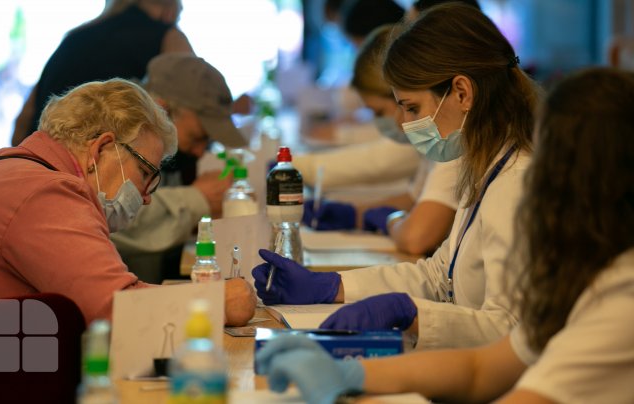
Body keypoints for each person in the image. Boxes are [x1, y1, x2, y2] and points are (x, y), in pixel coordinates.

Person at [255, 67, 634, 404]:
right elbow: (479, 369)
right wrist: (351, 376)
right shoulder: (589, 274)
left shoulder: (621, 303)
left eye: (547, 166)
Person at [253, 3, 540, 349]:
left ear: (462, 93)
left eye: (412, 107)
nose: (404, 124)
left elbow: (511, 330)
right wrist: (333, 286)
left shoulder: (515, 181)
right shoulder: (483, 163)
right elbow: (438, 275)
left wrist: (413, 316)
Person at [0, 78, 256, 327]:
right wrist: (218, 301)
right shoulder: (45, 193)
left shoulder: (8, 167)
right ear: (101, 149)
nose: (148, 196)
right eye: (145, 171)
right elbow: (116, 309)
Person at [298, 24, 459, 255]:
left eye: (411, 107)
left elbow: (417, 236)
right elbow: (417, 197)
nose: (402, 122)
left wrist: (389, 221)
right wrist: (356, 215)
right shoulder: (441, 139)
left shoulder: (449, 142)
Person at [110, 54, 248, 283]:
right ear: (163, 109)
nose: (200, 151)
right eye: (198, 137)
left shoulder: (170, 150)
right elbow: (121, 223)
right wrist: (198, 198)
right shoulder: (120, 141)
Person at [11, 0, 193, 146]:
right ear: (172, 5)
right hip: (99, 179)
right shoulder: (171, 41)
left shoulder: (74, 37)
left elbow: (23, 121)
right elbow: (194, 115)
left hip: (39, 162)